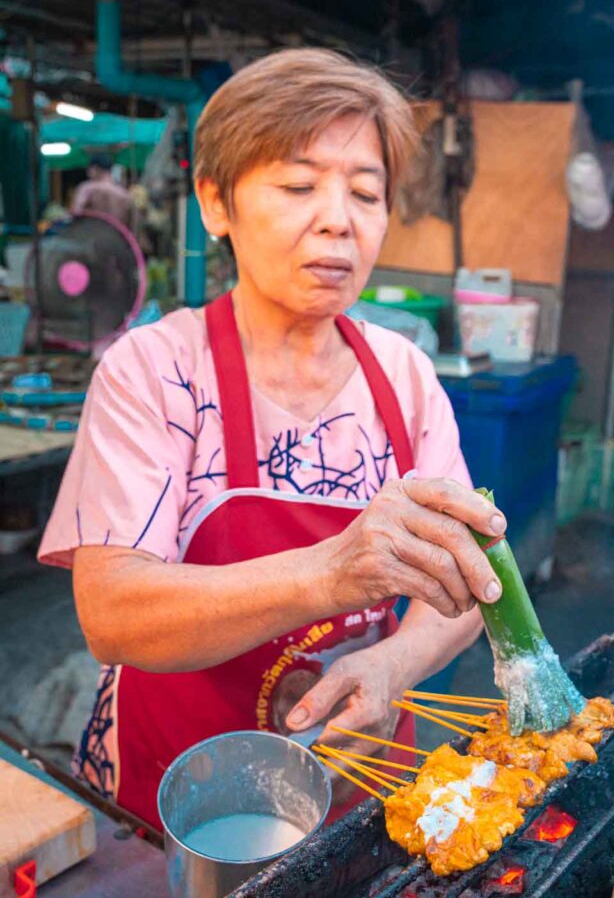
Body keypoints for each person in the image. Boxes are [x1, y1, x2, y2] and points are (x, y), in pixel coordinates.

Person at [38, 48, 506, 829]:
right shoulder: (155, 371)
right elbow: (113, 613)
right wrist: (332, 571)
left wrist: (393, 663)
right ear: (215, 203)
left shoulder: (405, 376)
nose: (338, 219)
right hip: (181, 799)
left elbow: (467, 578)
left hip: (358, 778)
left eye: (366, 193)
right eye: (298, 186)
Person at [72, 153, 134, 228]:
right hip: (117, 234)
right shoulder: (124, 194)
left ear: (95, 168)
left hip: (93, 232)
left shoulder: (87, 188)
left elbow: (76, 212)